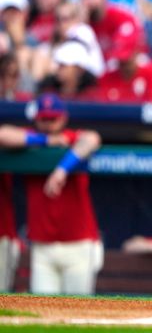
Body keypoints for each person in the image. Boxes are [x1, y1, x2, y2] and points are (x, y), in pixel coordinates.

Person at [0, 94, 103, 294]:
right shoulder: (29, 141)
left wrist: (62, 170)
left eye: (53, 118)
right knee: (42, 312)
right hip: (42, 246)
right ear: (36, 118)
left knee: (78, 312)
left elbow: (92, 139)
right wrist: (46, 140)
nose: (48, 124)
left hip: (79, 243)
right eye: (44, 118)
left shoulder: (70, 138)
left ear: (63, 118)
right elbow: (2, 134)